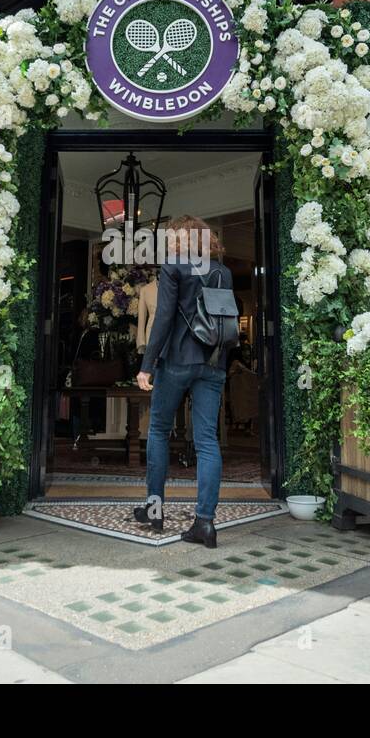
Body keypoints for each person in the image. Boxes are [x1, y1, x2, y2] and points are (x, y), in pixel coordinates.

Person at [134, 216, 230, 547]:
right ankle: (205, 523)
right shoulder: (223, 271)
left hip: (176, 360)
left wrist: (147, 365)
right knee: (206, 439)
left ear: (179, 239)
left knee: (159, 429)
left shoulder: (174, 266)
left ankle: (155, 509)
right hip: (214, 363)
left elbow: (163, 318)